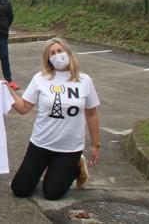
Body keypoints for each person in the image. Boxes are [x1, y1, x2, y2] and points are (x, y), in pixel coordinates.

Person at [9, 39, 101, 200]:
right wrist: (7, 91)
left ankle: (76, 167)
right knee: (20, 189)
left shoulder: (84, 81)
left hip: (69, 147)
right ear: (47, 58)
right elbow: (24, 108)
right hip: (41, 142)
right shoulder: (40, 78)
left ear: (68, 52)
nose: (57, 55)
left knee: (52, 193)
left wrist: (95, 144)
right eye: (52, 53)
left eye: (60, 51)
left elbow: (92, 113)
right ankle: (53, 169)